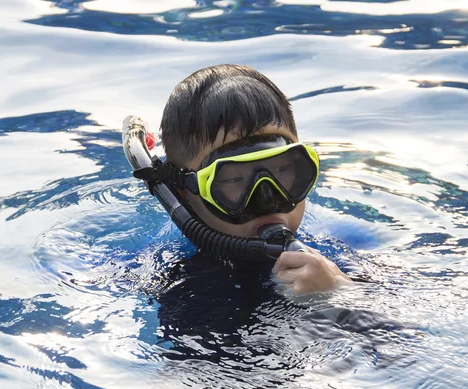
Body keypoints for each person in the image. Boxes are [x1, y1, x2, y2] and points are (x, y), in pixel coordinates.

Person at [140, 64, 355, 295]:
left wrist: (343, 295)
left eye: (282, 169)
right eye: (234, 180)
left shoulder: (345, 244)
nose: (267, 199)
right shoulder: (171, 283)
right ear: (182, 193)